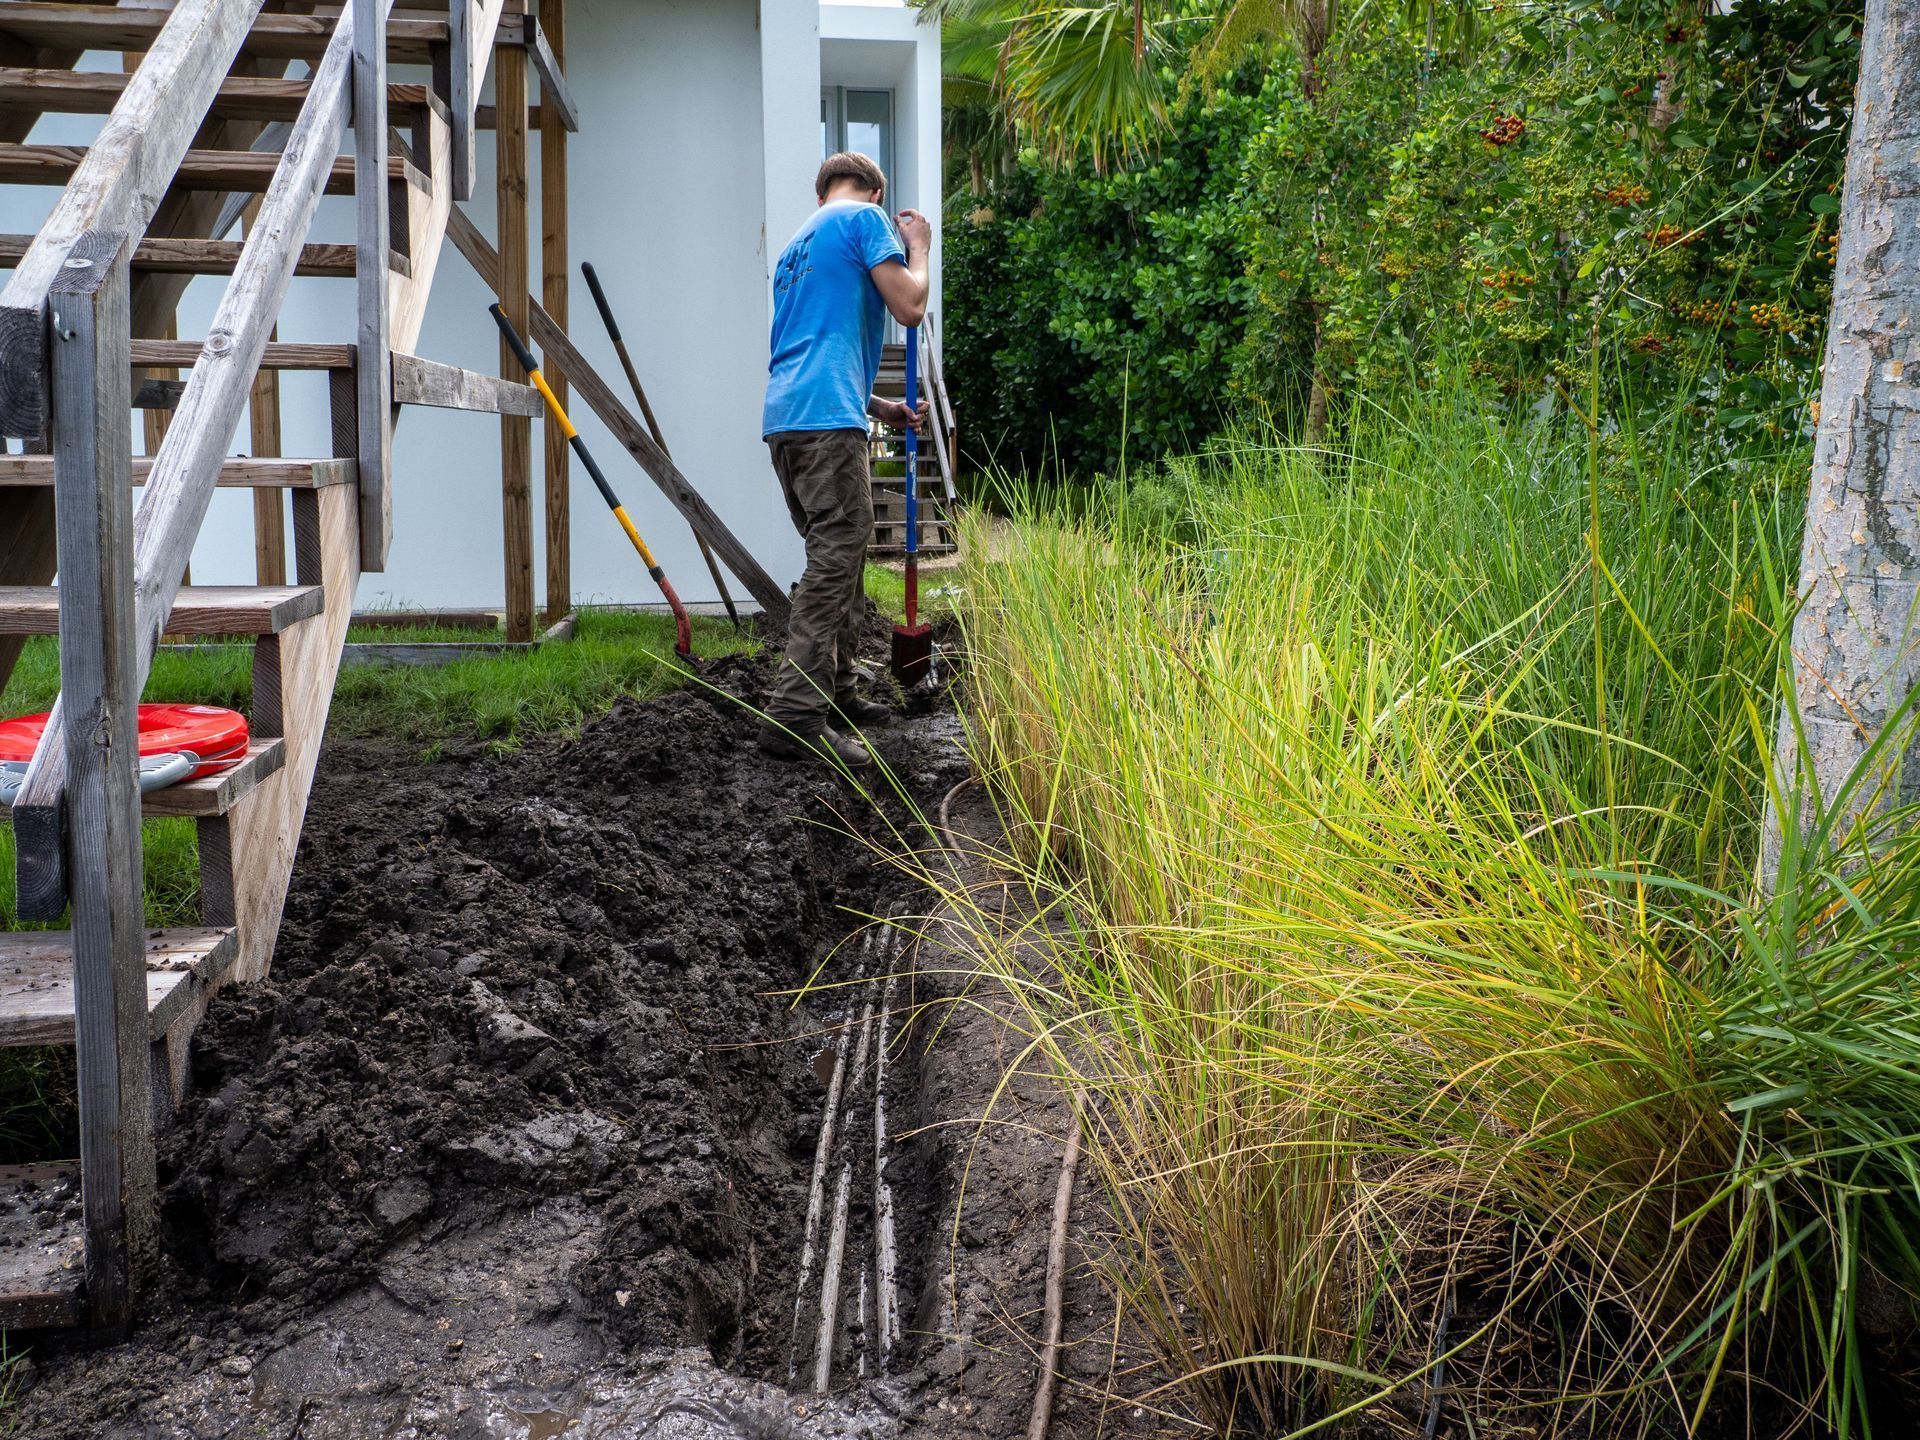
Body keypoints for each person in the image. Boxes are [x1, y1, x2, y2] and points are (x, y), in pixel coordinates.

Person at [759, 150, 930, 768]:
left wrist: (878, 407)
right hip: (826, 420)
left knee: (842, 551)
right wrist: (919, 248)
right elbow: (910, 306)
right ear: (874, 193)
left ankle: (840, 692)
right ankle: (796, 715)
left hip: (788, 420)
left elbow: (811, 343)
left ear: (822, 189)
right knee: (838, 554)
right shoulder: (864, 221)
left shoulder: (795, 249)